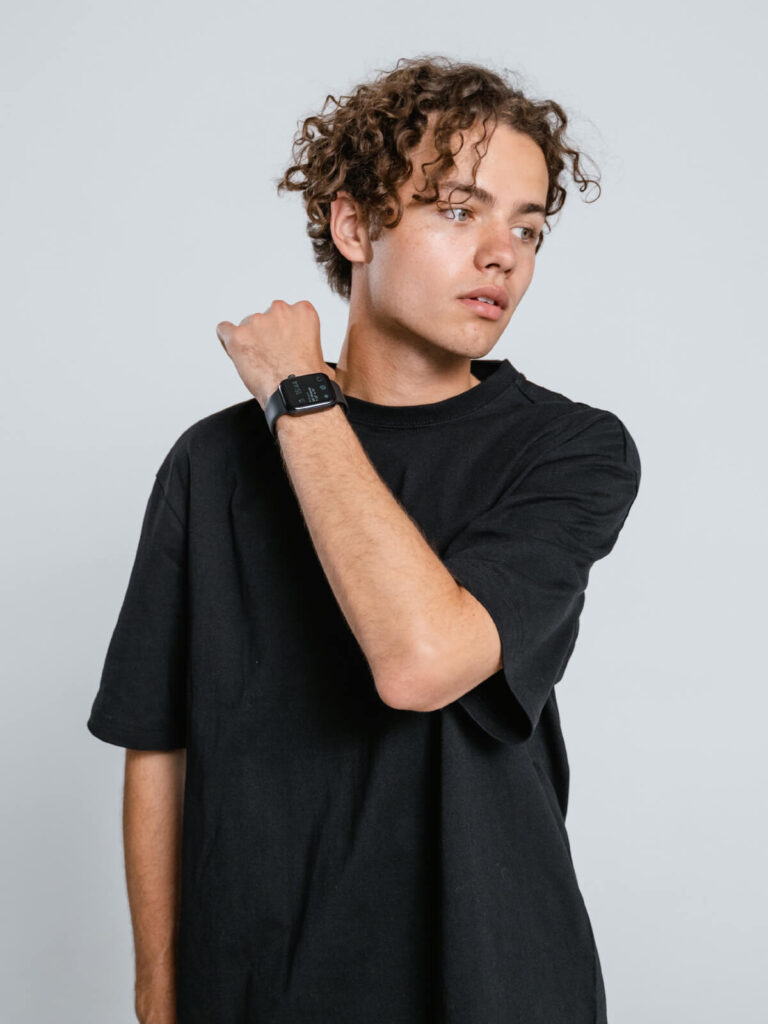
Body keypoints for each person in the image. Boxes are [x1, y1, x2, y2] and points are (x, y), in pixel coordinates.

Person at [87, 55, 642, 1024]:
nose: (503, 255)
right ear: (355, 226)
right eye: (459, 211)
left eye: (528, 227)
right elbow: (158, 747)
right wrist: (157, 994)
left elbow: (421, 662)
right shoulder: (213, 464)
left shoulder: (572, 450)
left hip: (492, 981)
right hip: (258, 984)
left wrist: (300, 397)